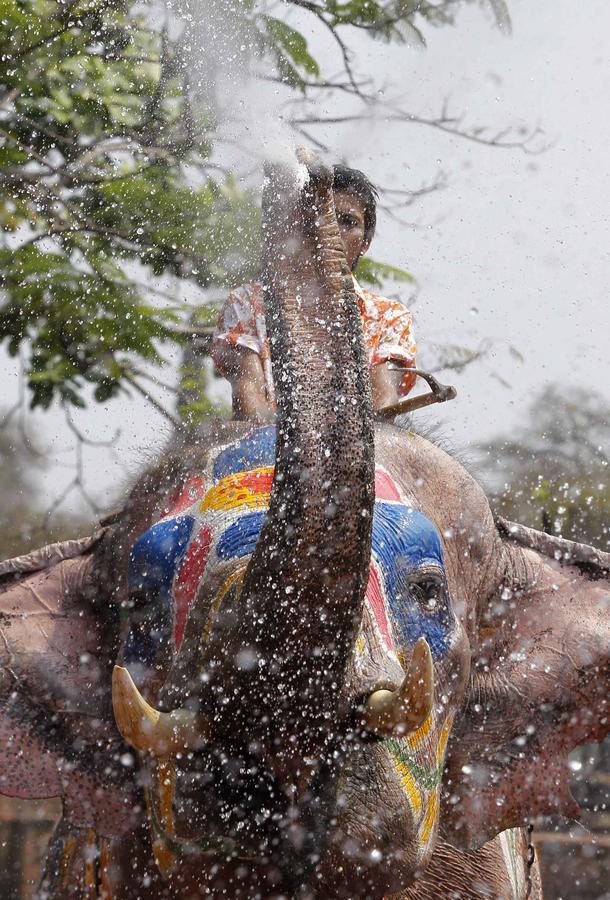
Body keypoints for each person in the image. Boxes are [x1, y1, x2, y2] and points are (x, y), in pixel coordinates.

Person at [212, 165, 417, 421]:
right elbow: (249, 404)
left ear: (365, 243)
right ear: (298, 227)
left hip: (363, 443)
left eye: (348, 222)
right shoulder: (248, 303)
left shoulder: (389, 317)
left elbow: (383, 400)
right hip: (266, 441)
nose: (329, 231)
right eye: (317, 216)